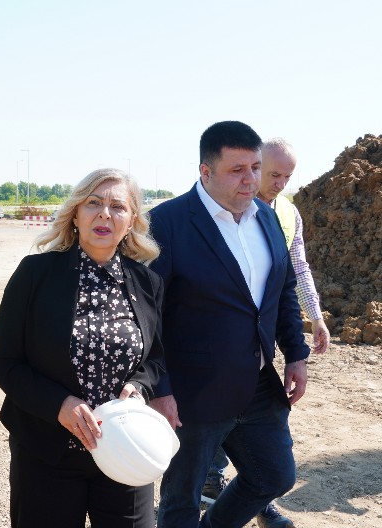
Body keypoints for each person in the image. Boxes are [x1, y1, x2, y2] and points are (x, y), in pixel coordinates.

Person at [148, 121, 310, 527]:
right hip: (191, 393)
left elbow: (284, 289)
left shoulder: (267, 219)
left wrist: (296, 353)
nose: (251, 179)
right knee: (181, 500)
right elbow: (146, 318)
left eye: (255, 167)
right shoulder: (165, 224)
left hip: (255, 384)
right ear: (206, 171)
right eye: (237, 170)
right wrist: (160, 389)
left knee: (274, 474)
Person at [0, 168, 166, 528]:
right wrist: (60, 405)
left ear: (131, 221)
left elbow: (155, 359)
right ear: (75, 215)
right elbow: (3, 361)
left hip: (125, 454)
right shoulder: (36, 274)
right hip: (47, 453)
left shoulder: (148, 282)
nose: (104, 214)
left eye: (118, 207)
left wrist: (140, 388)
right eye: (94, 203)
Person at [201, 138, 329, 528]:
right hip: (209, 359)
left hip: (259, 352)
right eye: (272, 173)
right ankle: (210, 485)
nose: (278, 183)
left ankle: (258, 500)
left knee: (265, 444)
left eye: (287, 177)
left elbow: (296, 271)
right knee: (209, 443)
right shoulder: (213, 210)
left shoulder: (286, 214)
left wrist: (314, 319)